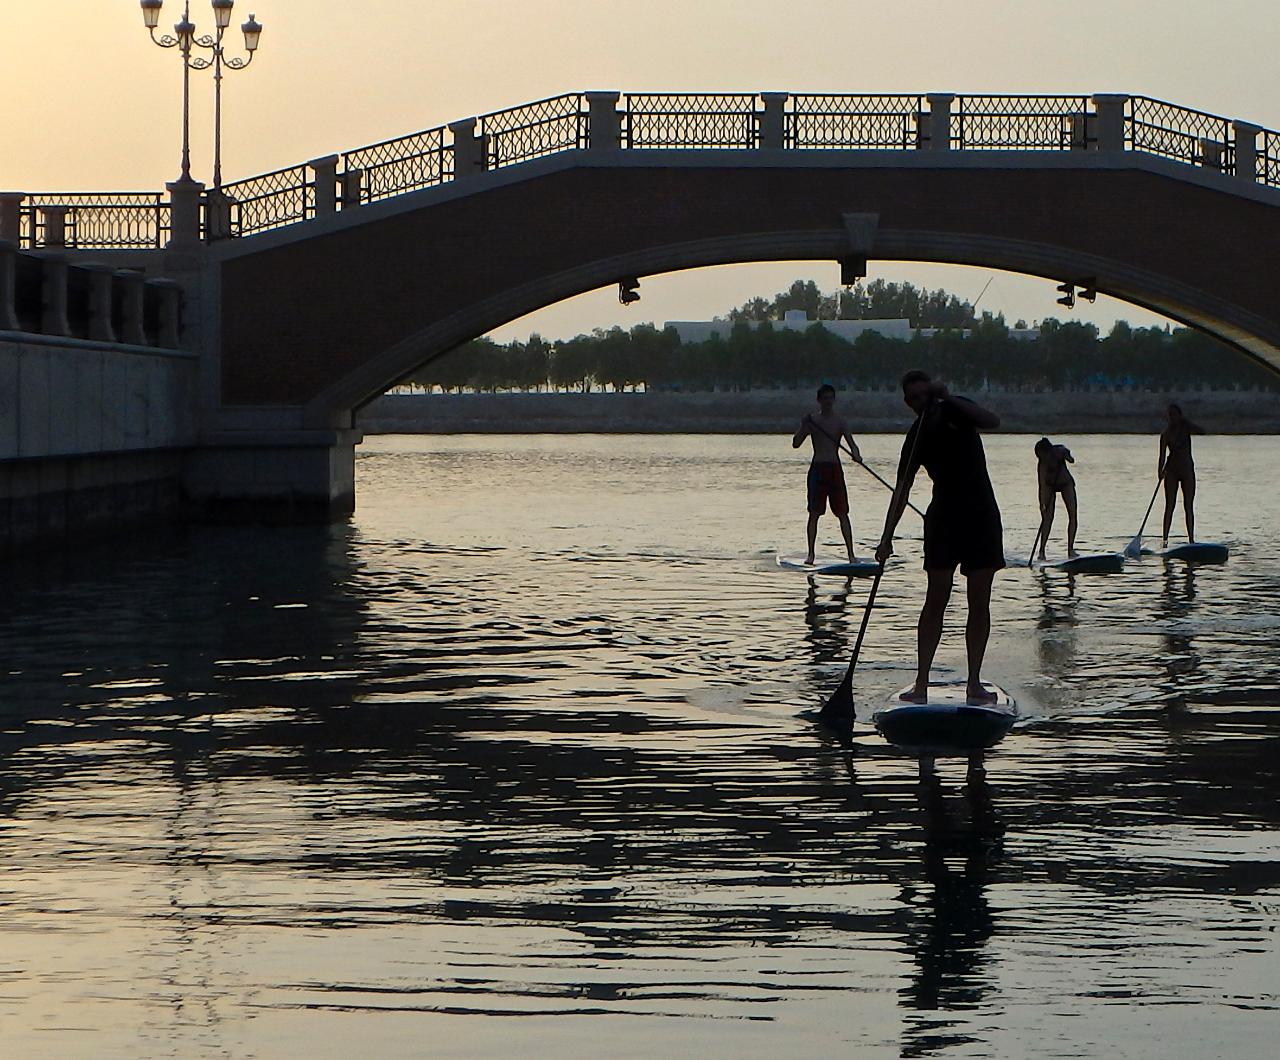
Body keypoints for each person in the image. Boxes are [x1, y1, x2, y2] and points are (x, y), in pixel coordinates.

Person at [875, 370, 1003, 706]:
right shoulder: (916, 435)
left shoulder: (958, 411)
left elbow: (992, 421)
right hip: (943, 518)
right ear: (908, 403)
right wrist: (886, 537)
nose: (923, 402)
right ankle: (921, 684)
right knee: (936, 599)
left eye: (926, 395)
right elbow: (902, 490)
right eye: (916, 398)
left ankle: (974, 683)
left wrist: (947, 397)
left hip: (981, 515)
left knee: (979, 601)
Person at [792, 383, 863, 565]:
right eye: (825, 399)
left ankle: (851, 555)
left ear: (834, 400)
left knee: (842, 513)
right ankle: (811, 555)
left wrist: (856, 453)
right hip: (818, 468)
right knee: (814, 513)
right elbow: (796, 443)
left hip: (834, 469)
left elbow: (851, 443)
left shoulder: (840, 422)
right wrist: (803, 425)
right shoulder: (813, 421)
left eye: (831, 398)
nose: (828, 402)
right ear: (819, 400)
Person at [1159, 403, 1205, 547]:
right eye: (1170, 415)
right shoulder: (1165, 435)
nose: (1172, 418)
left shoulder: (1186, 429)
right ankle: (1165, 540)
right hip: (1171, 472)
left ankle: (1191, 539)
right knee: (1169, 506)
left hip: (1187, 471)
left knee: (1188, 506)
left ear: (1180, 415)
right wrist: (1159, 471)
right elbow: (1161, 456)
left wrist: (1187, 423)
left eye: (1174, 415)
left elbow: (1202, 431)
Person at [1034, 437, 1077, 560]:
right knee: (1047, 518)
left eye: (1042, 455)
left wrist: (1066, 454)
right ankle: (1041, 551)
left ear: (1048, 451)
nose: (1041, 459)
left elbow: (1072, 460)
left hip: (1065, 483)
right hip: (1049, 486)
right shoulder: (1042, 465)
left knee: (1072, 515)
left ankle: (1071, 550)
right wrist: (1042, 503)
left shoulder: (1059, 451)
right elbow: (1041, 485)